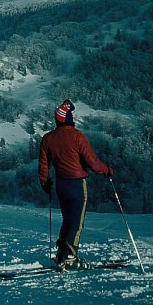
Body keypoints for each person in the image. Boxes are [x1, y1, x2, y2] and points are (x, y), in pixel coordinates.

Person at [38, 99, 113, 270]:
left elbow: (43, 166)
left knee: (68, 219)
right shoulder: (78, 136)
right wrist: (107, 170)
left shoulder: (48, 139)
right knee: (77, 222)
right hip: (77, 184)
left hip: (60, 185)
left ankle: (62, 252)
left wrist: (44, 182)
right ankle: (71, 257)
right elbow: (92, 162)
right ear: (69, 118)